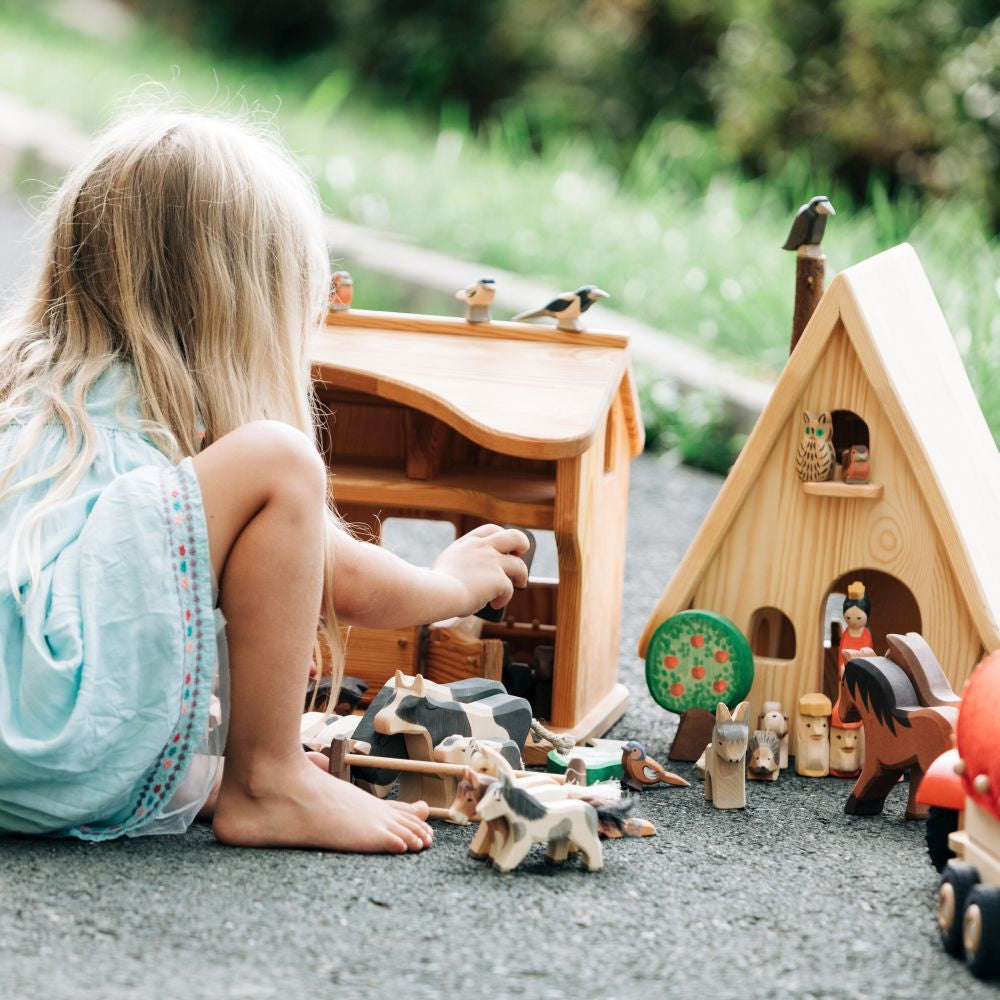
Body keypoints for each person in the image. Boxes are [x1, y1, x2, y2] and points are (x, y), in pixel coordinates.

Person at [0, 109, 529, 853]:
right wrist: (451, 584)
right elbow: (340, 576)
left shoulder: (28, 394)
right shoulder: (188, 428)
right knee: (283, 461)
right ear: (239, 311)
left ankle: (207, 772)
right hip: (48, 732)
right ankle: (267, 779)